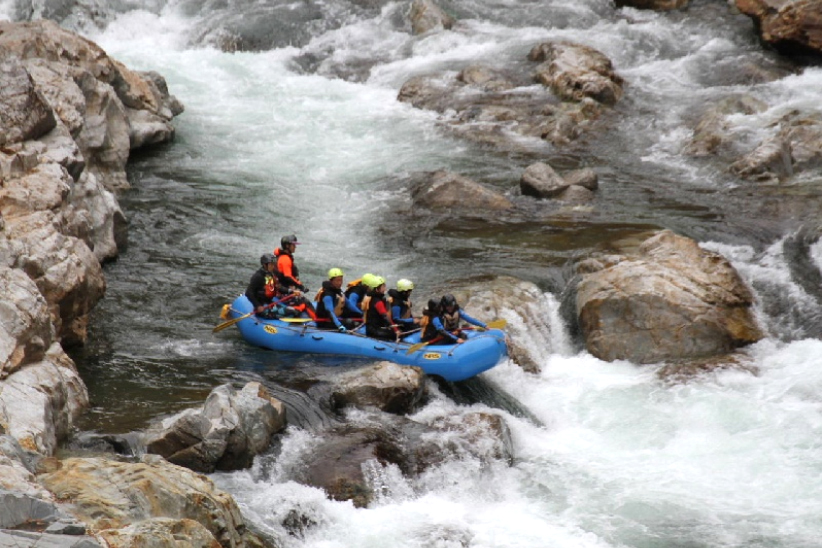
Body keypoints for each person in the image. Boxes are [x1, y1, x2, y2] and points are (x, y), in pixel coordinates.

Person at [272, 234, 316, 320]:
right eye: (293, 245)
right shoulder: (285, 259)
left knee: (301, 300)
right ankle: (316, 322)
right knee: (305, 303)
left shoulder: (282, 257)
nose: (295, 247)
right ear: (287, 246)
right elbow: (288, 276)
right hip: (284, 293)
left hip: (281, 290)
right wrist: (301, 286)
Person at [245, 253, 297, 318]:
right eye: (271, 264)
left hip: (269, 303)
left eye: (273, 264)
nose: (273, 266)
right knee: (291, 312)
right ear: (264, 265)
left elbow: (278, 287)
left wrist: (291, 291)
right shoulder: (258, 277)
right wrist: (258, 306)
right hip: (263, 306)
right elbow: (248, 293)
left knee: (294, 311)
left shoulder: (270, 274)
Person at [314, 268, 361, 332]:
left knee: (355, 317)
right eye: (337, 281)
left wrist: (362, 315)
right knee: (350, 322)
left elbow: (349, 305)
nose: (340, 283)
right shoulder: (327, 295)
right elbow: (330, 312)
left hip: (334, 319)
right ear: (331, 281)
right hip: (324, 322)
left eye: (341, 280)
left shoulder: (338, 291)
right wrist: (339, 325)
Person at [362, 275, 400, 341]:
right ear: (377, 289)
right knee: (394, 334)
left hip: (372, 328)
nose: (385, 289)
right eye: (383, 287)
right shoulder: (378, 302)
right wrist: (396, 330)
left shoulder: (373, 298)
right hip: (374, 330)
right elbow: (385, 317)